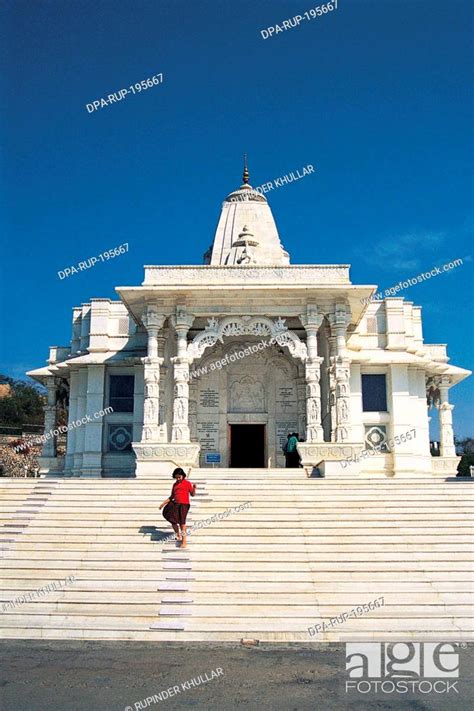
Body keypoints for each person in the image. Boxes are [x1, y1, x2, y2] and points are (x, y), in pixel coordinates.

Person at [159, 468, 196, 548]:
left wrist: (194, 488)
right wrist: (163, 503)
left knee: (182, 523)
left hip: (184, 505)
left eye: (179, 477)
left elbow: (192, 494)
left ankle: (184, 541)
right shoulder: (175, 485)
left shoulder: (187, 483)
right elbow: (172, 496)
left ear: (183, 476)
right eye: (176, 477)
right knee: (172, 520)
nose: (178, 479)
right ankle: (177, 534)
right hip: (175, 504)